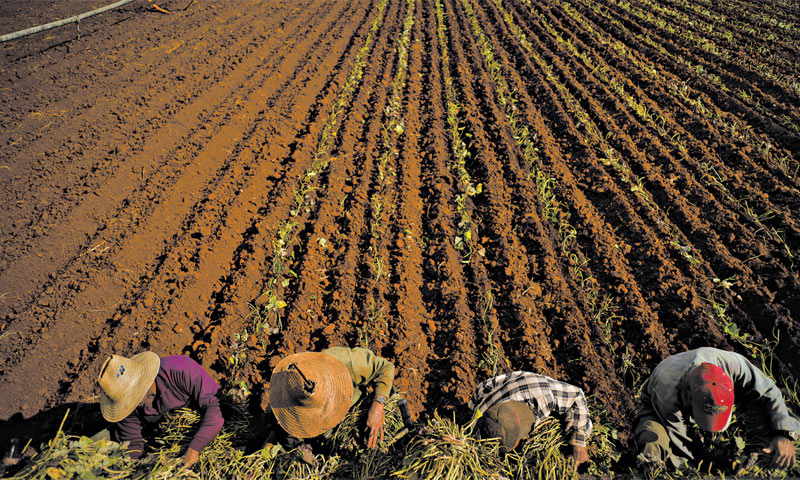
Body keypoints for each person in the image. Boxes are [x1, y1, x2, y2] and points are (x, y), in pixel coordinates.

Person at [635, 347, 799, 471]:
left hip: (702, 396)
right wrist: (710, 467)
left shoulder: (734, 364)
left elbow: (769, 391)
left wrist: (784, 433)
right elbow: (681, 442)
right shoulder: (667, 389)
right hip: (659, 411)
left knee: (768, 412)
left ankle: (758, 452)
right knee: (654, 442)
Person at [265, 346, 394, 462]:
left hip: (360, 413)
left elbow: (385, 368)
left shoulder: (341, 361)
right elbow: (286, 431)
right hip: (329, 439)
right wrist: (301, 449)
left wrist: (378, 405)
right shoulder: (283, 402)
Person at [97, 352, 224, 467]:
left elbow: (216, 405)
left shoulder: (179, 369)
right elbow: (132, 445)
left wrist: (194, 448)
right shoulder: (126, 409)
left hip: (206, 430)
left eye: (130, 398)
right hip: (165, 443)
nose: (129, 405)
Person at [469, 371, 592, 466]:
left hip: (525, 385)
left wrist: (578, 444)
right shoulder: (476, 422)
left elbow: (577, 396)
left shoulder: (542, 393)